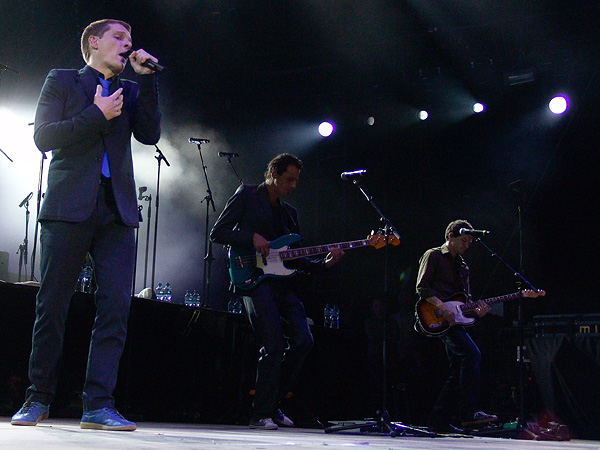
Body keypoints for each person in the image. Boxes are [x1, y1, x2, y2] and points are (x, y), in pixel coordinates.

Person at [11, 19, 161, 431]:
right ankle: (38, 397)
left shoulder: (130, 90)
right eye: (118, 37)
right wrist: (96, 114)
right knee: (53, 306)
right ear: (93, 43)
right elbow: (44, 137)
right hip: (68, 206)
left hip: (117, 210)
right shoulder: (62, 81)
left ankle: (98, 405)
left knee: (114, 307)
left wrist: (147, 82)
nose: (128, 44)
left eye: (130, 39)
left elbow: (150, 134)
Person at [210, 153, 344, 430]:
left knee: (304, 341)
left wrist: (324, 263)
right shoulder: (247, 195)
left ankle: (274, 402)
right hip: (253, 280)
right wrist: (251, 237)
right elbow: (218, 232)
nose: (293, 185)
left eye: (296, 180)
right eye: (289, 179)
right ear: (272, 173)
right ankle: (260, 413)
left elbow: (293, 257)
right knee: (273, 345)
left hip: (283, 285)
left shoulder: (289, 213)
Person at [415, 219, 497, 433]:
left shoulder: (463, 266)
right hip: (436, 315)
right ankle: (470, 411)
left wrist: (477, 311)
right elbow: (422, 287)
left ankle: (439, 420)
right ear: (450, 236)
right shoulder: (432, 255)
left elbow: (465, 301)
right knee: (472, 354)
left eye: (470, 242)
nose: (467, 245)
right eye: (464, 240)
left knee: (457, 368)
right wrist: (443, 307)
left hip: (455, 320)